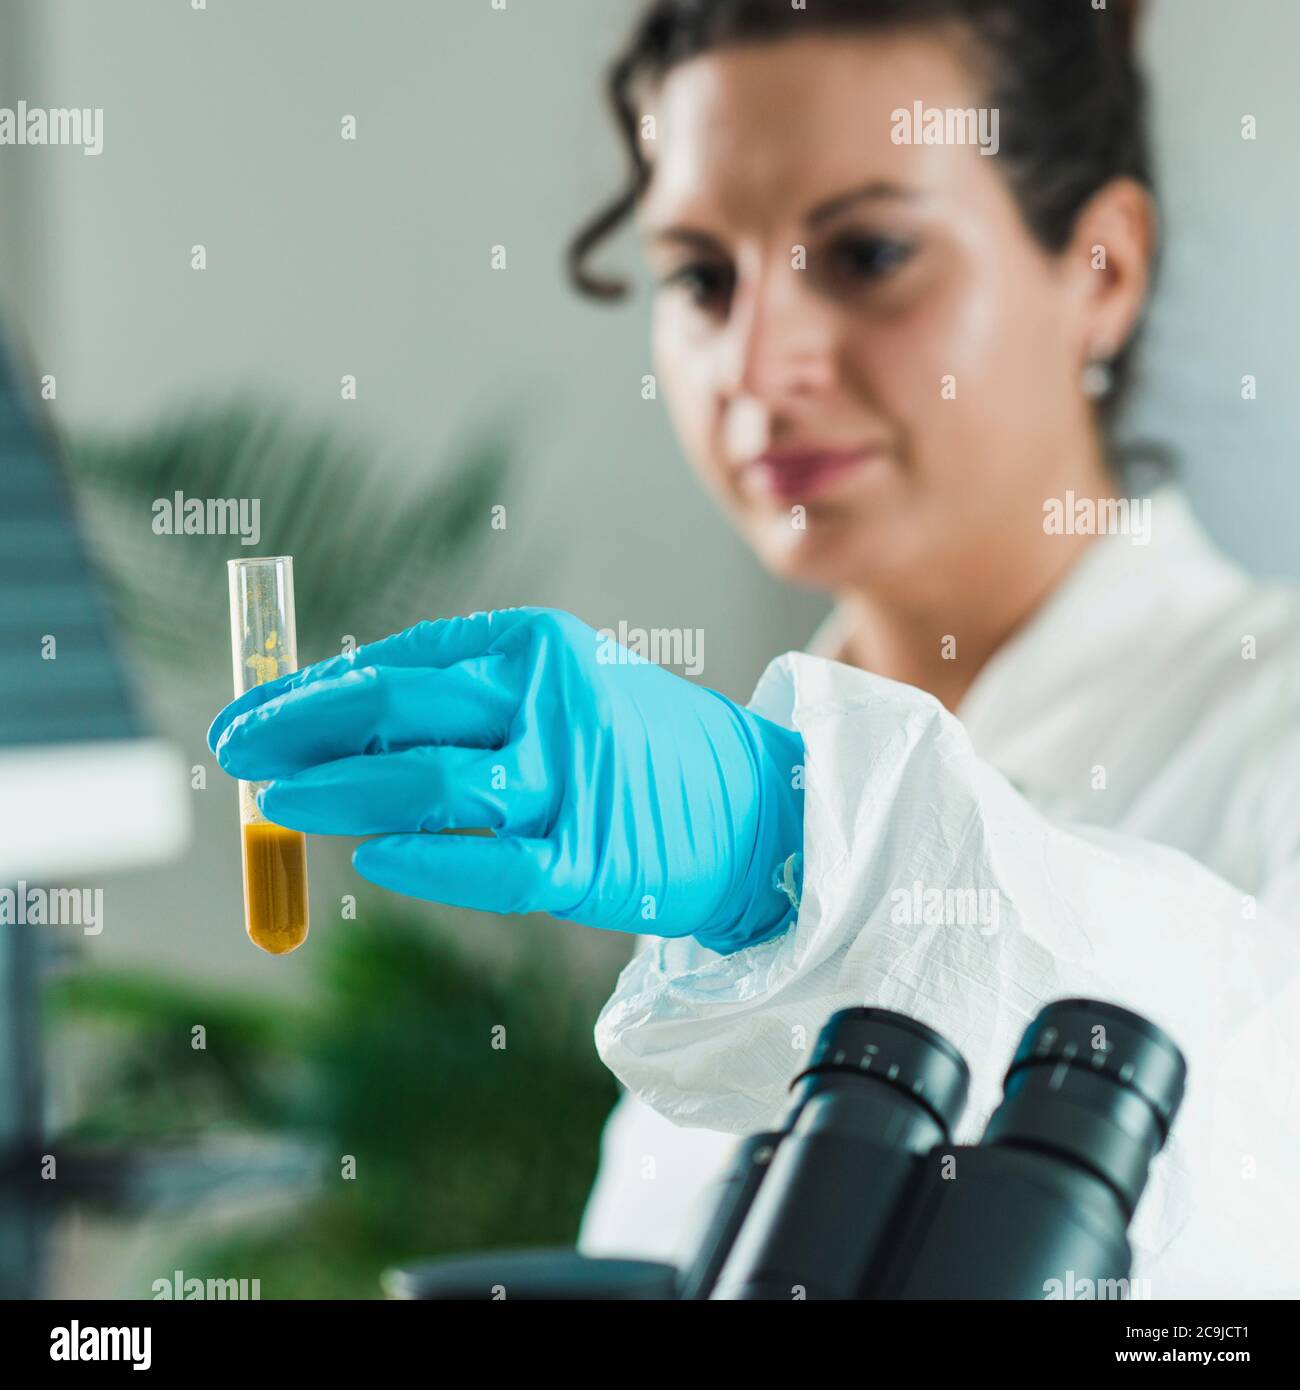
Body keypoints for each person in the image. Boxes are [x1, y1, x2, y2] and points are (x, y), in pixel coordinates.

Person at [208, 0, 1300, 1297]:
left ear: (1102, 270)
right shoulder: (715, 847)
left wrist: (803, 855)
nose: (756, 360)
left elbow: (1245, 1147)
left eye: (869, 252)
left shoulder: (1264, 722)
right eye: (702, 276)